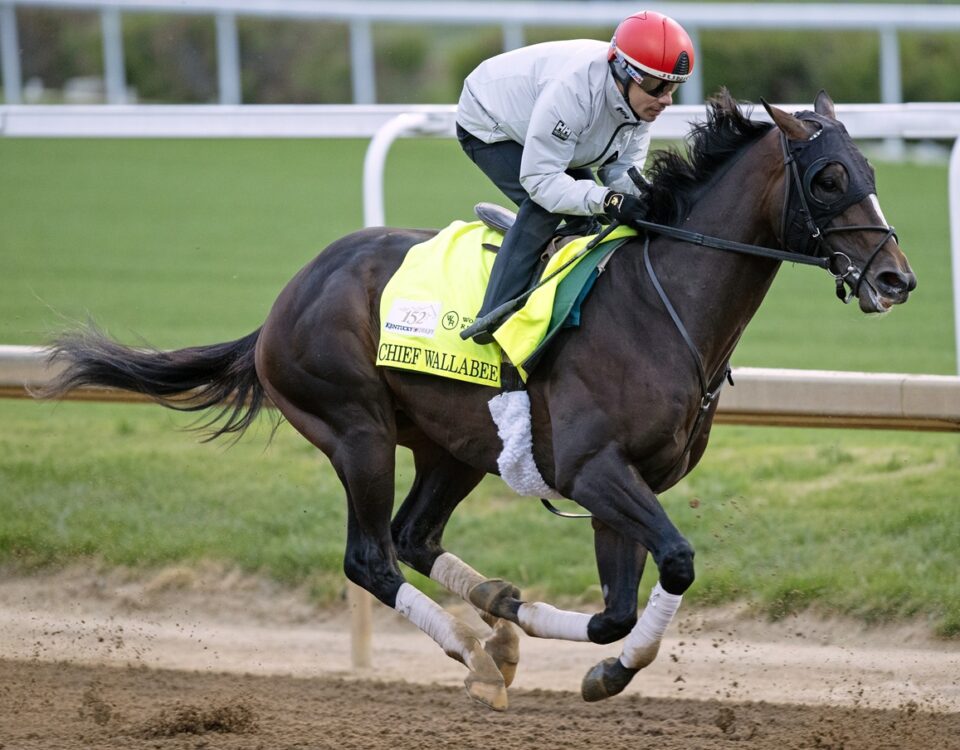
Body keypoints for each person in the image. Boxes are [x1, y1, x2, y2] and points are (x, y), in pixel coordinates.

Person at [456, 10, 695, 344]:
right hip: (490, 123)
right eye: (657, 86)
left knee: (588, 220)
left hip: (556, 134)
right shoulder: (575, 93)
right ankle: (493, 316)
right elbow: (541, 181)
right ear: (623, 72)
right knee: (546, 207)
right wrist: (607, 200)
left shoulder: (641, 101)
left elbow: (621, 172)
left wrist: (654, 204)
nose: (665, 100)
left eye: (673, 88)